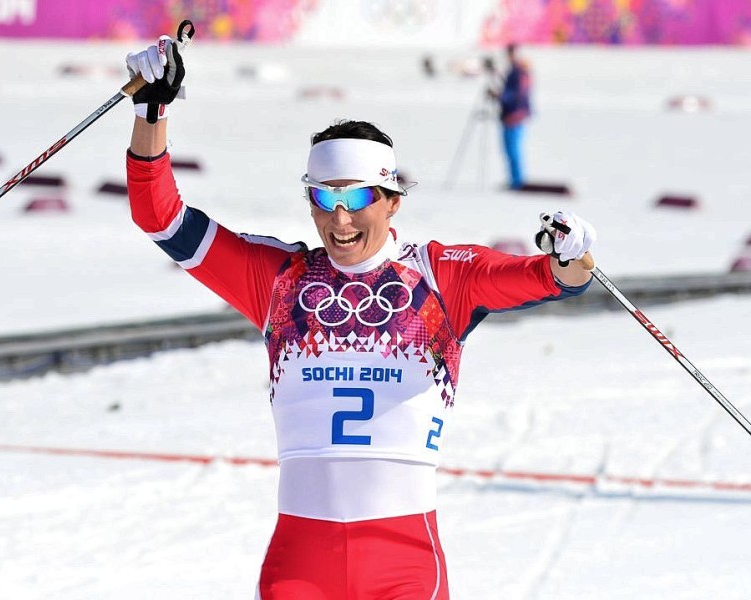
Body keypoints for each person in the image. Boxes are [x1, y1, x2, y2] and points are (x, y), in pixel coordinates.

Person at [124, 35, 596, 600]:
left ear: (392, 199)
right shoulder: (280, 280)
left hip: (403, 567)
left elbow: (557, 277)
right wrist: (152, 109)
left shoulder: (441, 278)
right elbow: (161, 218)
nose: (340, 220)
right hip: (300, 567)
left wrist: (575, 255)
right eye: (323, 199)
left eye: (356, 198)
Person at [485, 43, 532, 190]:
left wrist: (499, 95)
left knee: (512, 149)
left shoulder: (519, 72)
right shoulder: (515, 71)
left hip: (515, 115)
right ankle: (514, 180)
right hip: (511, 114)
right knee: (509, 149)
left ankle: (517, 181)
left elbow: (516, 94)